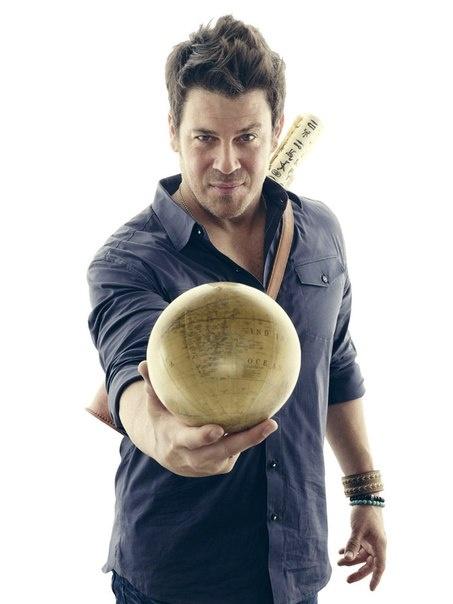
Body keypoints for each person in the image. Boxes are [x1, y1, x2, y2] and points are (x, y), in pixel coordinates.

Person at [86, 14, 387, 604]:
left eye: (247, 137)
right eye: (205, 138)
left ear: (277, 129)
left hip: (295, 573)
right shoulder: (127, 261)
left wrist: (366, 493)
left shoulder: (319, 232)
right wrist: (165, 435)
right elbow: (128, 372)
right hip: (175, 578)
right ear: (173, 130)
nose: (226, 163)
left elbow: (335, 363)